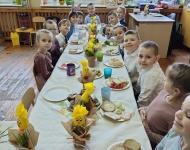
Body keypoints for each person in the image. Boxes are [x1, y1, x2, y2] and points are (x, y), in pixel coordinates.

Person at [139, 63, 190, 149]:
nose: (163, 80)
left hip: (146, 140)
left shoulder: (174, 116)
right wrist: (144, 109)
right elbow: (153, 107)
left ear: (176, 91)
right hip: (140, 126)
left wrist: (147, 130)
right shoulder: (164, 92)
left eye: (166, 80)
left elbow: (166, 139)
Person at [134, 40, 165, 107]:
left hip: (152, 104)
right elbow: (141, 78)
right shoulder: (148, 65)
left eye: (148, 57)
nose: (143, 60)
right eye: (140, 56)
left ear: (156, 58)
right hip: (145, 94)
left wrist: (139, 109)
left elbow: (144, 97)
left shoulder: (151, 75)